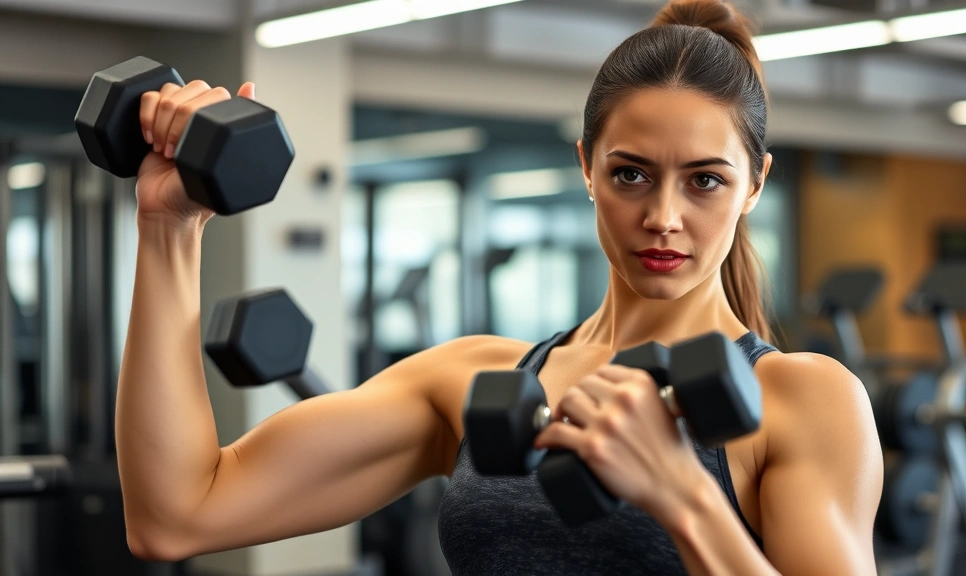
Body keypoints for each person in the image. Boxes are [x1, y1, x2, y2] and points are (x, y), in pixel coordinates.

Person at [115, 0, 883, 573]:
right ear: (587, 167)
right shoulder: (473, 379)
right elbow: (177, 514)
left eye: (706, 181)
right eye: (630, 174)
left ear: (755, 186)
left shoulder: (802, 400)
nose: (663, 217)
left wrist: (681, 494)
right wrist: (169, 230)